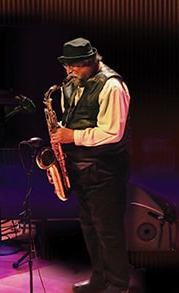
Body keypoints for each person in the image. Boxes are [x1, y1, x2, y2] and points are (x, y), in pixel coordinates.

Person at [51, 38, 131, 293]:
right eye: (67, 67)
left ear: (91, 62)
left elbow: (112, 133)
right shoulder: (72, 83)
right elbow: (73, 117)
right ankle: (100, 279)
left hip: (105, 169)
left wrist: (71, 136)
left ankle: (118, 285)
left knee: (109, 231)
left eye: (75, 67)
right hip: (80, 166)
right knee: (89, 227)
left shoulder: (112, 86)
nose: (69, 72)